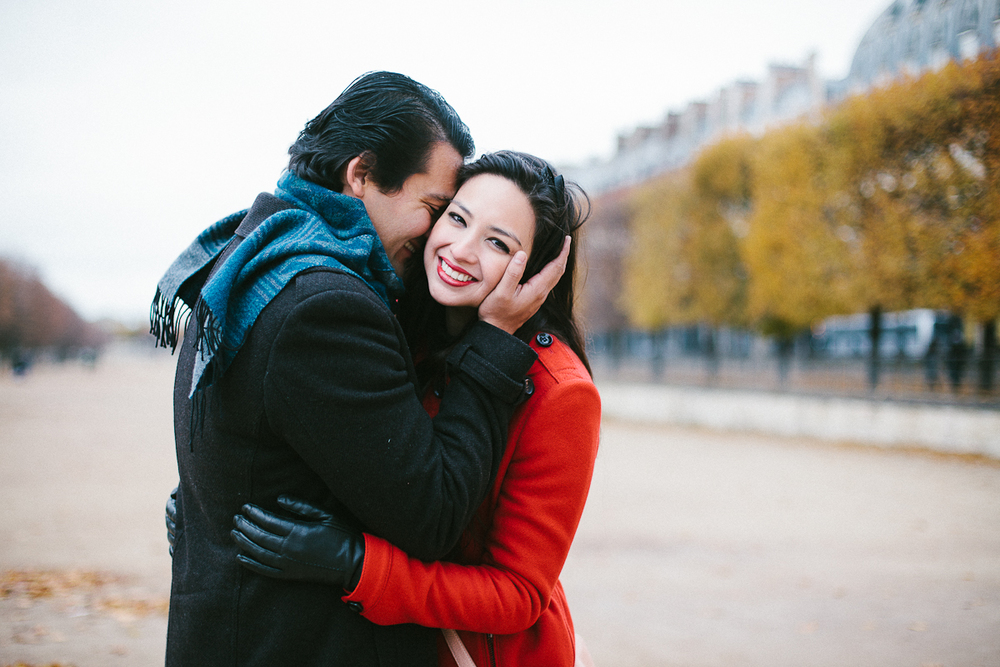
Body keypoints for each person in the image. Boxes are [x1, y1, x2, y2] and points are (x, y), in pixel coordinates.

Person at [152, 73, 570, 667]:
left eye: (496, 241)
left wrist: (205, 512)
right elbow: (433, 515)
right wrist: (494, 340)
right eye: (440, 211)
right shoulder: (328, 305)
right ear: (362, 174)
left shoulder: (251, 259)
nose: (441, 237)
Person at [231, 151, 601, 666]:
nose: (461, 250)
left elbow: (518, 594)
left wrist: (357, 564)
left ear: (535, 273)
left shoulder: (560, 392)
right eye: (457, 219)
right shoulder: (396, 325)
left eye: (497, 243)